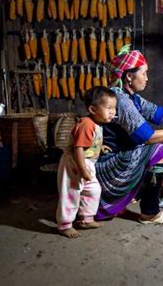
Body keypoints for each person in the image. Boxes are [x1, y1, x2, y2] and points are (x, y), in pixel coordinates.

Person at [95, 46, 163, 226]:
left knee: (148, 151)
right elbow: (149, 137)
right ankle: (150, 213)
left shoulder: (132, 97)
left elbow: (157, 113)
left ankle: (136, 194)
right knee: (157, 152)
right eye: (143, 73)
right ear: (129, 76)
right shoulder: (120, 100)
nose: (147, 78)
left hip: (123, 156)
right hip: (110, 163)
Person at [56, 86, 117, 238]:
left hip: (86, 162)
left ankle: (86, 218)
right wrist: (83, 170)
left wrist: (99, 147)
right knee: (71, 193)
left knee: (93, 189)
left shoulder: (97, 124)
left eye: (114, 108)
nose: (112, 112)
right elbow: (78, 148)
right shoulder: (86, 124)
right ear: (92, 109)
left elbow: (88, 143)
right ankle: (64, 224)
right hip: (75, 163)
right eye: (108, 108)